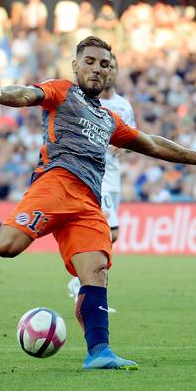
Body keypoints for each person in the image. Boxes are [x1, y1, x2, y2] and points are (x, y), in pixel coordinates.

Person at [0, 36, 196, 370]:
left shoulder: (108, 120)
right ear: (76, 65)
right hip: (56, 183)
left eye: (104, 64)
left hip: (87, 202)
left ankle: (99, 352)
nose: (96, 69)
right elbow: (27, 93)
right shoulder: (61, 91)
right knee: (5, 246)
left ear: (110, 72)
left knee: (96, 272)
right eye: (89, 62)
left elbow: (153, 144)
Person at [66, 53, 136, 308]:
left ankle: (90, 286)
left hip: (114, 177)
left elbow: (133, 141)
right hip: (97, 176)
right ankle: (84, 283)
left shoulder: (124, 107)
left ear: (114, 72)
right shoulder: (84, 102)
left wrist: (124, 148)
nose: (107, 70)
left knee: (109, 235)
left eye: (111, 66)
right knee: (110, 230)